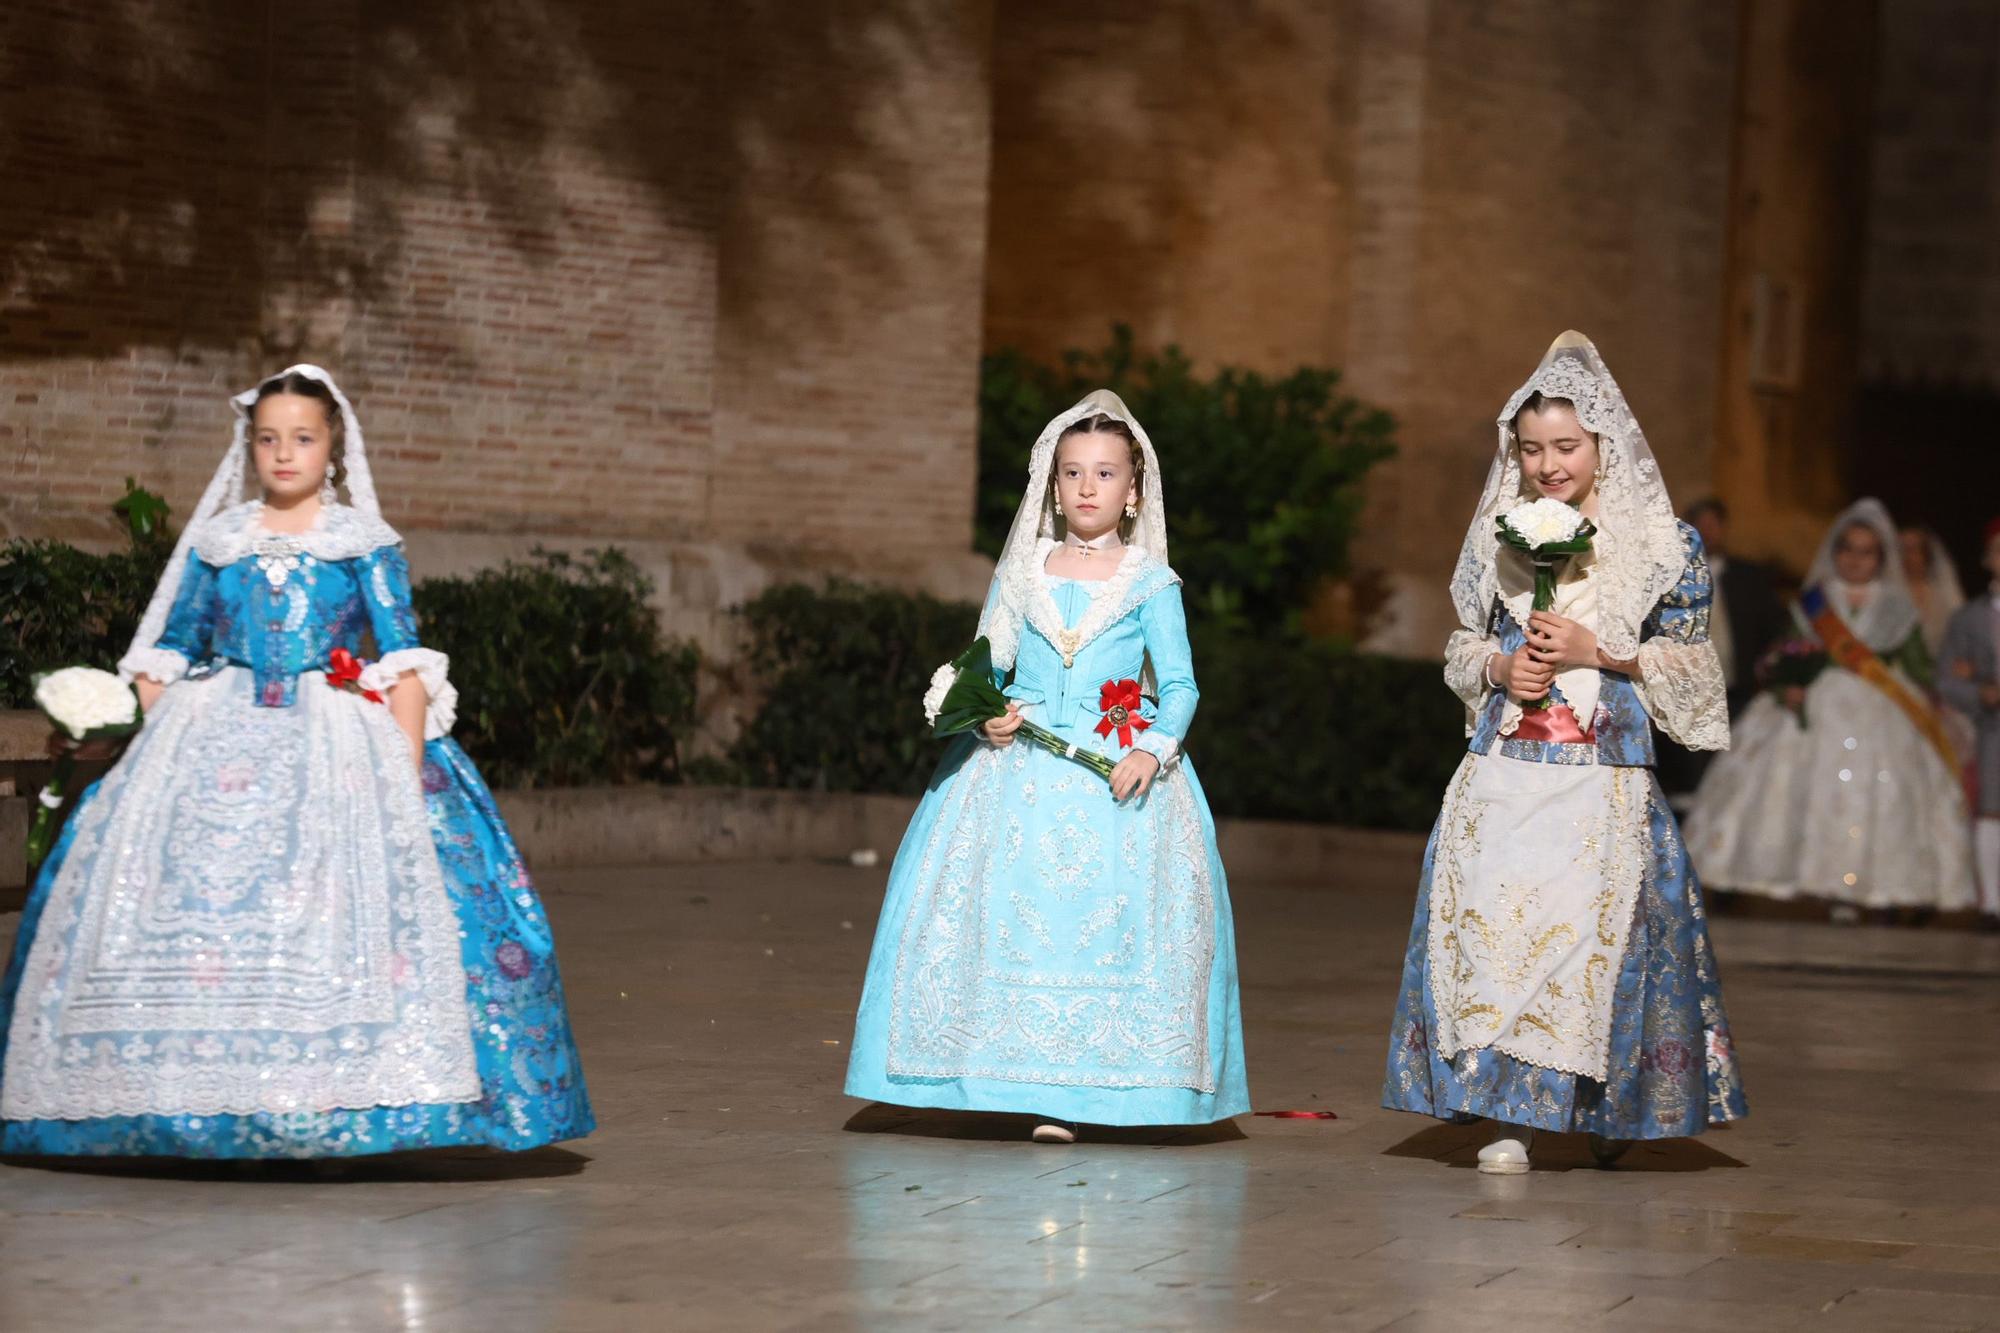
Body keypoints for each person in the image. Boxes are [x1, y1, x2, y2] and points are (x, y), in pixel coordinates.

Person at [0, 366, 594, 1158]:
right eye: (269, 439)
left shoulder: (361, 542)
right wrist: (106, 721)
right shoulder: (220, 543)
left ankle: (339, 1096)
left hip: (336, 732)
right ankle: (162, 1099)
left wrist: (404, 770)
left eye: (302, 438)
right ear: (250, 446)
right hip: (209, 730)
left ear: (332, 446)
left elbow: (403, 653)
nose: (284, 454)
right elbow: (173, 649)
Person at [1382, 332, 1747, 1174]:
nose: (1548, 464)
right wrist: (1499, 664)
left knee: (1589, 937)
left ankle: (1604, 1101)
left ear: (1602, 445)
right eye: (1532, 448)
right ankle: (1511, 1110)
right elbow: (1462, 646)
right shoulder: (1497, 536)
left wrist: (1602, 651)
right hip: (1505, 767)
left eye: (1566, 447)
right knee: (1497, 929)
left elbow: (1693, 663)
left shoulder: (1664, 545)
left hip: (1600, 773)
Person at [845, 390, 1249, 1143]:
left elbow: (1183, 683)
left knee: (1103, 920)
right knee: (1002, 911)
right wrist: (984, 708)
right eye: (1072, 472)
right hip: (1016, 767)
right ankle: (996, 1074)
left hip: (1113, 767)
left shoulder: (1151, 582)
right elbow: (990, 658)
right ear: (1052, 483)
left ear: (1133, 492)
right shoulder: (1024, 571)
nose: (1088, 487)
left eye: (1105, 473)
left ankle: (1101, 1085)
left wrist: (1151, 748)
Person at [1684, 500, 1974, 917]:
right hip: (1816, 709)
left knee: (1882, 797)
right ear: (1835, 553)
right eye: (1848, 549)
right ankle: (1812, 880)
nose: (1856, 560)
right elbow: (1782, 655)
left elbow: (1916, 667)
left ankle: (1872, 887)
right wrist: (1788, 686)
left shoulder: (1897, 609)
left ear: (1881, 558)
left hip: (1881, 711)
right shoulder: (1813, 604)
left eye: (1867, 551)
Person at [1657, 499, 1787, 800]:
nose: (1707, 532)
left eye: (1713, 525)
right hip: (1688, 693)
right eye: (1699, 526)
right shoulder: (1670, 578)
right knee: (1692, 776)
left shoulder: (1749, 576)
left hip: (1739, 691)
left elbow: (1774, 629)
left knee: (1736, 771)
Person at [1937, 519, 2000, 930]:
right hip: (1993, 727)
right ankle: (1992, 904)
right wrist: (1978, 692)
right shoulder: (1969, 618)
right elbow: (1946, 677)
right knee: (1991, 811)